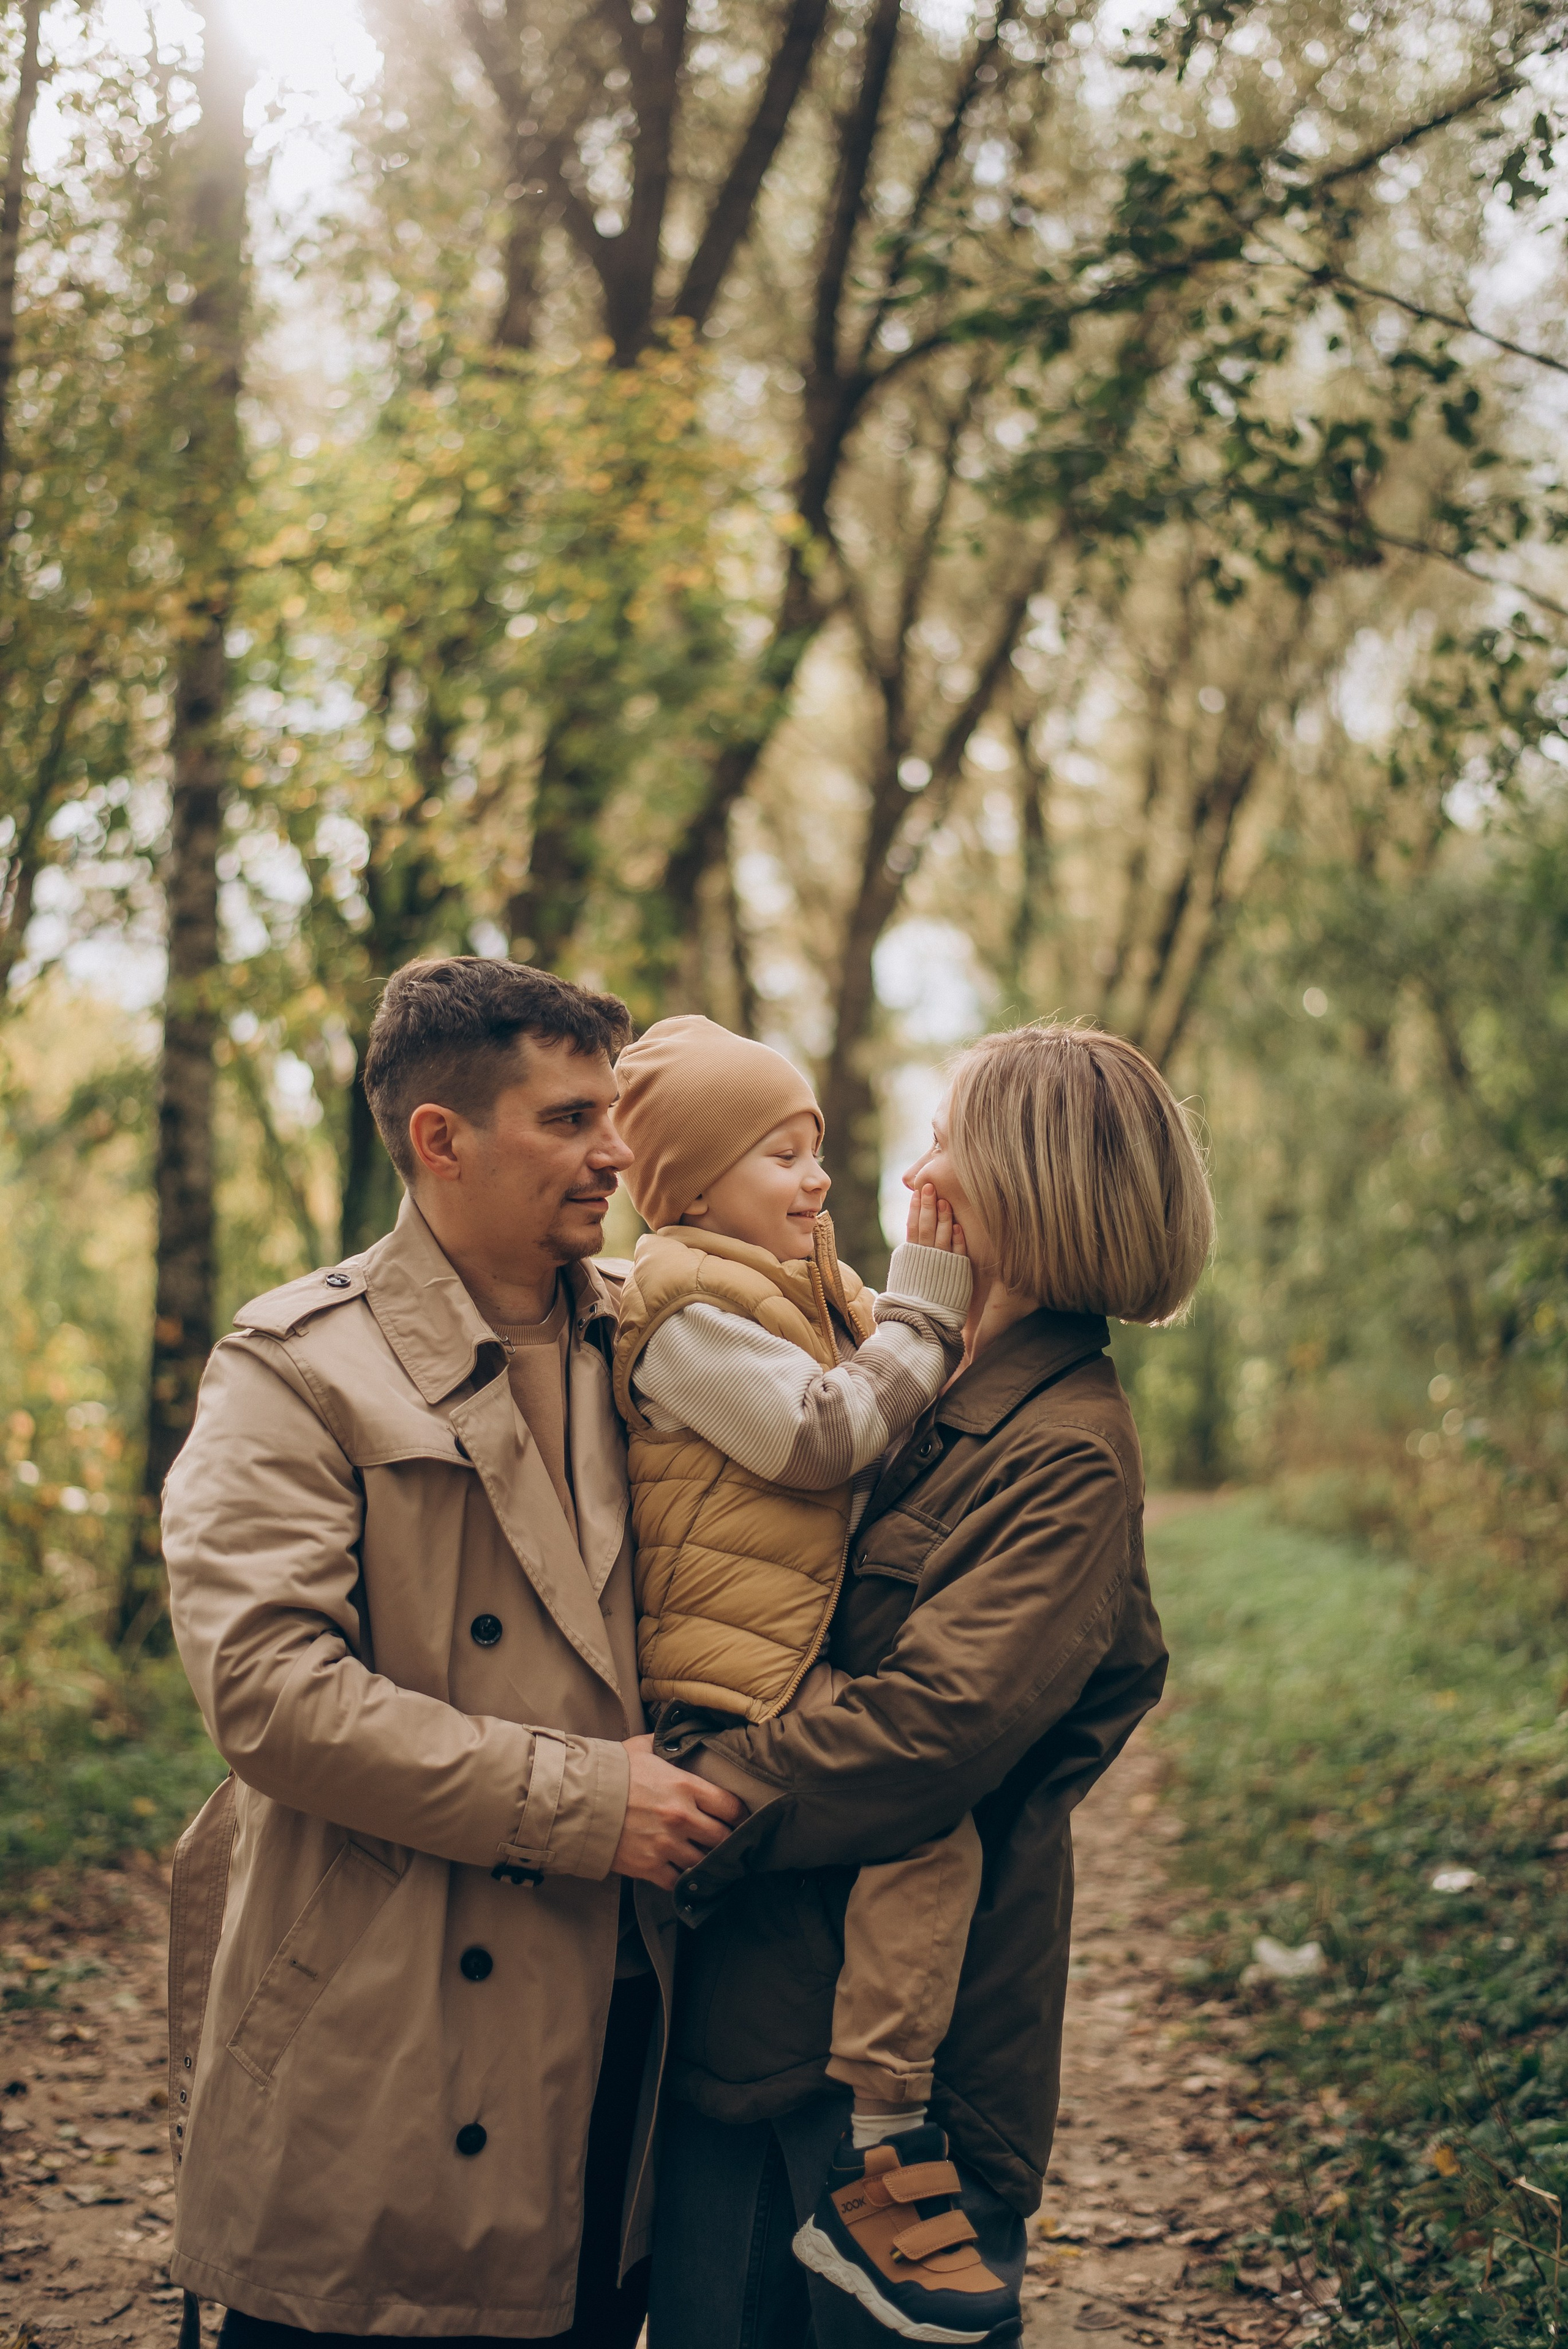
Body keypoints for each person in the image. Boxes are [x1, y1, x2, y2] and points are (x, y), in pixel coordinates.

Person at [158, 958, 745, 2348]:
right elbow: (267, 1693)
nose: (617, 1151)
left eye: (612, 1113)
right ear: (441, 1138)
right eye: (568, 1119)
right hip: (386, 2035)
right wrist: (592, 1804)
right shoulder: (296, 1367)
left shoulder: (663, 1342)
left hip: (622, 2037)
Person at [643, 1021, 1216, 2349]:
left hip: (899, 2070)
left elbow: (931, 1727)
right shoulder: (886, 1379)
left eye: (946, 1142)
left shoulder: (1066, 1451)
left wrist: (690, 1802)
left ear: (1022, 1188)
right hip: (747, 2018)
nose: (911, 1176)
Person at [608, 1014, 1012, 2340]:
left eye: (815, 1151)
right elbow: (820, 1435)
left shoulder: (778, 1283)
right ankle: (882, 2137)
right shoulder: (678, 1306)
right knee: (923, 1829)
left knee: (902, 1835)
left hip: (784, 1651)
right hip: (732, 1682)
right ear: (685, 1186)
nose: (817, 1179)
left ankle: (864, 2140)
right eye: (781, 1154)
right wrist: (923, 1307)